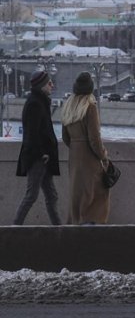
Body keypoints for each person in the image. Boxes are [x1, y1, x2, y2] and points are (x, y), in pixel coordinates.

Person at [60, 72, 110, 225]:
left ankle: (75, 222)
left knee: (77, 193)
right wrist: (103, 156)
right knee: (98, 191)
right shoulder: (90, 107)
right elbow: (94, 139)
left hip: (74, 156)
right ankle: (90, 224)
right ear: (90, 89)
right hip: (89, 157)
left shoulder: (68, 106)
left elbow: (65, 137)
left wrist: (76, 147)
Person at [13, 70, 62, 225]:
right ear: (41, 85)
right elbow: (32, 134)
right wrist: (42, 154)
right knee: (31, 195)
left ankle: (60, 230)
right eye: (49, 83)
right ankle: (14, 228)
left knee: (51, 195)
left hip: (43, 157)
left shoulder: (39, 101)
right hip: (38, 158)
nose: (52, 85)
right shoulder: (35, 103)